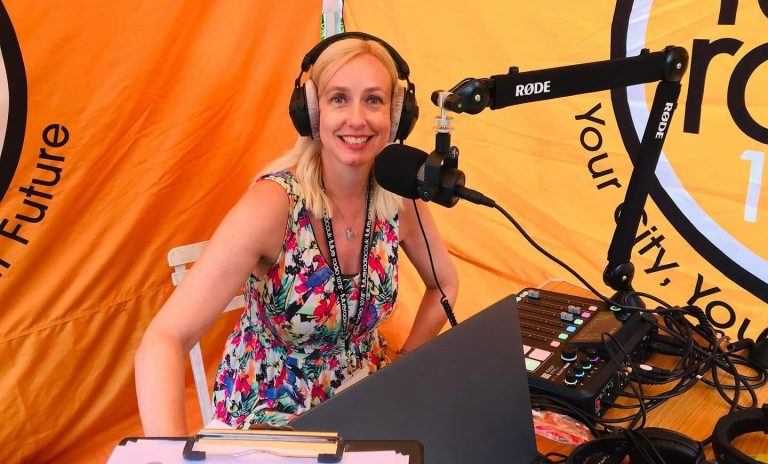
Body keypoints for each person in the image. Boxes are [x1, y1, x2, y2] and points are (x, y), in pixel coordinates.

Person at [134, 32, 459, 436]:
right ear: (312, 110)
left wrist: (405, 362)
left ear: (396, 115)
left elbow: (443, 283)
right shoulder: (272, 205)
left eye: (373, 99)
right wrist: (167, 457)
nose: (357, 118)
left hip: (364, 397)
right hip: (272, 416)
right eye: (339, 98)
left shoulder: (399, 199)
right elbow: (163, 340)